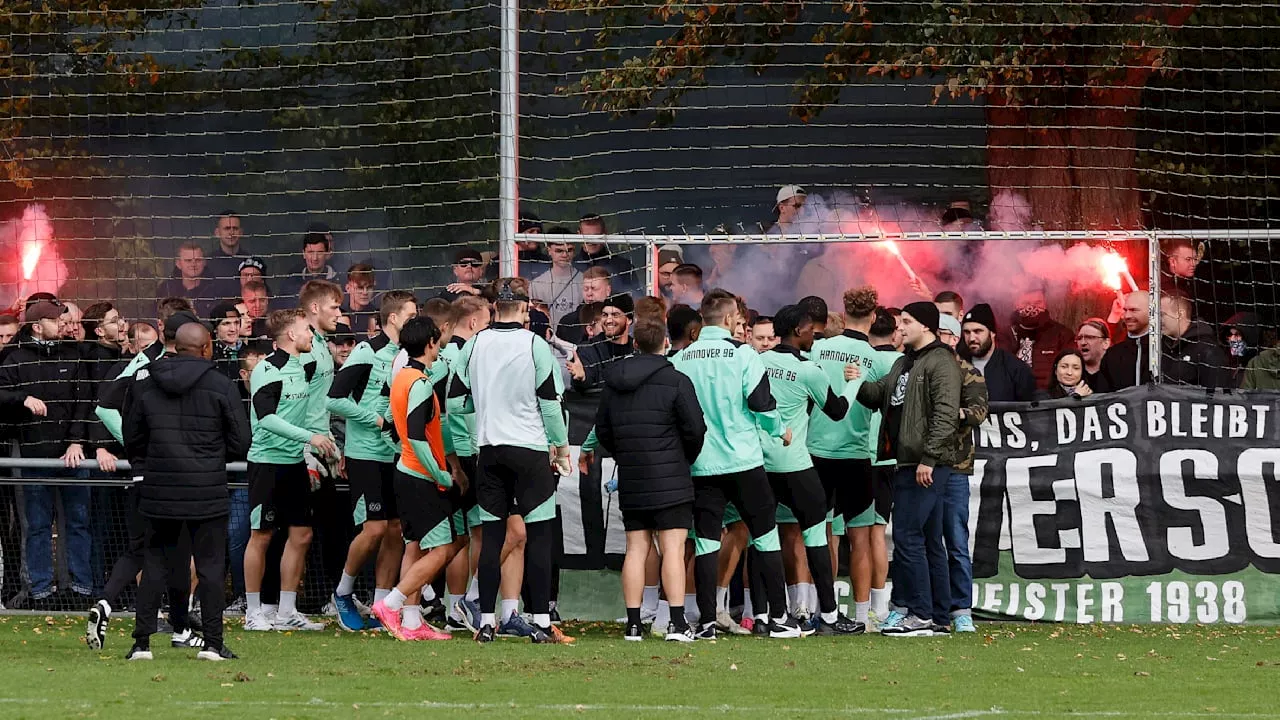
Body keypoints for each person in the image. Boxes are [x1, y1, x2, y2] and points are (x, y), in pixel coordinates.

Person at [446, 277, 573, 644]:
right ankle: (542, 623)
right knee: (539, 536)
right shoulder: (535, 344)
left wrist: (476, 422)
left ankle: (486, 622)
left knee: (492, 537)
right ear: (525, 306)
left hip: (489, 451)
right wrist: (561, 448)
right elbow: (550, 404)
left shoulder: (474, 344)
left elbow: (456, 402)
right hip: (530, 450)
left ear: (494, 306)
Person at [670, 292, 803, 639]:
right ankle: (778, 617)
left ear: (703, 319)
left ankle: (707, 623)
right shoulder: (744, 354)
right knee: (765, 533)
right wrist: (780, 431)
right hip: (743, 459)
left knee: (706, 542)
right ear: (730, 320)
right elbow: (761, 402)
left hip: (702, 463)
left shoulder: (682, 358)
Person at [123, 322, 250, 662]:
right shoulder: (221, 384)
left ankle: (141, 645)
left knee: (154, 565)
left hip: (159, 488)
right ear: (207, 347)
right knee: (210, 568)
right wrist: (211, 456)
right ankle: (212, 644)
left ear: (174, 346)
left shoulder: (146, 382)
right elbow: (241, 441)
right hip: (206, 488)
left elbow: (132, 435)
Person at [595, 317, 706, 642]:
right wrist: (683, 458)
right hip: (671, 475)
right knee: (672, 548)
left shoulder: (614, 381)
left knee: (635, 549)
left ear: (634, 343)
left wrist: (625, 454)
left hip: (632, 476)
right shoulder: (677, 380)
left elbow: (603, 430)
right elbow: (695, 429)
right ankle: (676, 622)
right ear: (665, 344)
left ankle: (633, 624)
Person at [856, 301, 960, 637]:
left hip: (924, 463)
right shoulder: (904, 361)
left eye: (907, 322)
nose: (900, 328)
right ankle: (940, 616)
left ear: (926, 326)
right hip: (907, 460)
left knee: (908, 537)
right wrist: (856, 381)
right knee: (929, 540)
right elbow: (879, 396)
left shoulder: (941, 361)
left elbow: (946, 413)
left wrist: (929, 458)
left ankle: (919, 614)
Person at [760, 304, 862, 635]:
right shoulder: (808, 371)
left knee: (762, 537)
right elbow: (837, 411)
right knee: (816, 535)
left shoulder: (758, 362)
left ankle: (765, 616)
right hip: (795, 464)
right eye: (809, 330)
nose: (813, 335)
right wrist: (853, 383)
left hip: (759, 463)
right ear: (798, 331)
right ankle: (829, 618)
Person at [243, 309, 339, 632]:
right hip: (267, 463)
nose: (312, 336)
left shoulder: (307, 366)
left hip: (295, 464)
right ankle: (253, 612)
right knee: (261, 536)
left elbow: (324, 389)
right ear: (291, 336)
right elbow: (267, 419)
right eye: (307, 331)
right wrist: (309, 438)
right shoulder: (266, 370)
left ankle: (286, 612)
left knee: (302, 534)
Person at [367, 316, 461, 641]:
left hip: (405, 473)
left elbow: (392, 425)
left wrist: (401, 448)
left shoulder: (402, 378)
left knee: (416, 547)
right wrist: (439, 473)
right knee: (442, 550)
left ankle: (410, 621)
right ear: (431, 343)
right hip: (420, 477)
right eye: (438, 341)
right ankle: (391, 604)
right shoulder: (420, 384)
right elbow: (418, 436)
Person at [328, 291, 417, 631]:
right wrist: (377, 421)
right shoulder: (368, 350)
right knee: (375, 527)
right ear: (393, 318)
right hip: (366, 453)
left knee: (396, 530)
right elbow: (334, 400)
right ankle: (343, 591)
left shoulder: (407, 355)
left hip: (396, 454)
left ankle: (382, 604)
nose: (415, 319)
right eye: (410, 314)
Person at [808, 286, 895, 630]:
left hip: (816, 450)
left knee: (820, 533)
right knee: (860, 537)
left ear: (842, 315)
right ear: (873, 317)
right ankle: (862, 617)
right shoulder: (876, 358)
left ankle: (821, 611)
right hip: (857, 453)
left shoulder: (818, 348)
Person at [0, 299, 93, 609]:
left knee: (78, 523)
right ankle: (39, 590)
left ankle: (80, 588)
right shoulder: (15, 359)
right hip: (32, 456)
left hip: (73, 456)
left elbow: (84, 403)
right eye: (57, 320)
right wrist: (22, 397)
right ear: (38, 327)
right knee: (37, 525)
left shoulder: (74, 355)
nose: (64, 324)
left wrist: (77, 441)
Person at [935, 313, 987, 633]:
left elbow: (979, 412)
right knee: (924, 540)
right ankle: (929, 606)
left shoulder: (969, 373)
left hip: (954, 466)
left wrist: (952, 413)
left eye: (941, 333)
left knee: (955, 538)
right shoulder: (921, 369)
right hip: (922, 465)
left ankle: (961, 608)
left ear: (954, 339)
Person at [997, 288, 1074, 390]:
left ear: (1045, 304)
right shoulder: (1005, 334)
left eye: (1038, 303)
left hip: (1048, 396)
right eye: (1026, 303)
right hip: (1012, 396)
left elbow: (1072, 368)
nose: (1032, 308)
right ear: (1016, 304)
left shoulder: (1062, 334)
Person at [960, 303, 1036, 402]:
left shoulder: (1016, 369)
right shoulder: (956, 364)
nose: (971, 338)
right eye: (967, 332)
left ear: (992, 333)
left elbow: (1030, 411)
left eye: (978, 331)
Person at [1160, 291, 1230, 388]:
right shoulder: (1162, 347)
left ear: (1180, 314)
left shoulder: (1208, 349)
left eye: (1162, 314)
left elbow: (1217, 397)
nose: (1158, 320)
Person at [570, 293, 635, 393]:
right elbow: (585, 380)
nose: (608, 320)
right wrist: (582, 378)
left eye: (615, 315)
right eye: (605, 315)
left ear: (629, 319)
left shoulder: (637, 350)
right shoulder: (588, 349)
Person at [1097, 291, 1152, 392]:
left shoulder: (1165, 350)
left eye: (1134, 310)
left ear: (1151, 311)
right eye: (1125, 310)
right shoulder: (1112, 355)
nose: (1127, 316)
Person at [158, 243, 223, 319]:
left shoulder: (216, 289)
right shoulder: (166, 288)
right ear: (178, 263)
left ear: (204, 262)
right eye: (188, 260)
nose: (193, 264)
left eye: (198, 260)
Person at [529, 241, 583, 329]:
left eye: (569, 250)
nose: (565, 255)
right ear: (549, 250)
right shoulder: (536, 284)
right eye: (559, 251)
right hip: (547, 336)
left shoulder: (584, 281)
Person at [574, 214, 635, 289]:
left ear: (605, 233)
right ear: (578, 235)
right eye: (587, 236)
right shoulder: (571, 266)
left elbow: (635, 297)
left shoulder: (623, 267)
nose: (592, 241)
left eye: (596, 236)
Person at [556, 267, 612, 344]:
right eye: (586, 289)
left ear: (608, 290)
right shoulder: (567, 323)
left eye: (594, 289)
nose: (589, 293)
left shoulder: (618, 319)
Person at [277, 231, 339, 300]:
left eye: (320, 252)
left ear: (327, 254)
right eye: (310, 252)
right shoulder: (291, 283)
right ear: (304, 254)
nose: (315, 258)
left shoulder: (338, 282)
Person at [205, 210, 250, 289]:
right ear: (217, 233)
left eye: (235, 228)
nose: (231, 232)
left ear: (241, 232)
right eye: (227, 228)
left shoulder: (251, 262)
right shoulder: (207, 263)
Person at [1221, 312, 1261, 387]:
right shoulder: (1224, 363)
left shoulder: (1262, 367)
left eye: (1237, 334)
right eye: (1228, 334)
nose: (1231, 339)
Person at [343, 263, 381, 338]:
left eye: (369, 287)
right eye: (360, 288)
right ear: (348, 288)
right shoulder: (338, 315)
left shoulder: (379, 317)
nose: (365, 292)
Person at [208, 302, 244, 382]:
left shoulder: (249, 351)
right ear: (215, 328)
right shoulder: (209, 354)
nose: (233, 329)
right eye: (226, 323)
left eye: (236, 323)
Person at [1075, 318, 1111, 390]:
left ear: (1106, 343)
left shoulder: (1116, 373)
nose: (1083, 343)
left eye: (1090, 337)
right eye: (1079, 338)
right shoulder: (1072, 374)